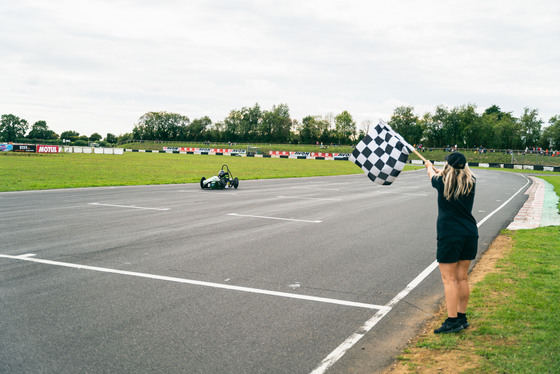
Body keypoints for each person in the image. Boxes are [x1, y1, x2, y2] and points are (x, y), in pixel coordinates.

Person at [425, 152, 478, 334]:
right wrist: (443, 171)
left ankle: (452, 320)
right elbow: (454, 176)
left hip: (449, 235)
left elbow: (433, 176)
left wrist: (429, 167)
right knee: (462, 278)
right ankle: (461, 318)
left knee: (449, 279)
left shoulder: (441, 182)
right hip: (469, 233)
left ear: (447, 166)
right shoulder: (471, 182)